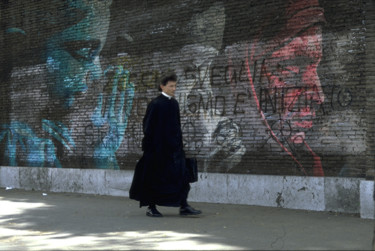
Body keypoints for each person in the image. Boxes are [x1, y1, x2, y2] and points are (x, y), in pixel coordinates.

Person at [129, 73, 201, 217]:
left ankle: (183, 205)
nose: (174, 89)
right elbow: (148, 127)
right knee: (154, 179)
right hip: (158, 150)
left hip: (175, 149)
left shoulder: (173, 103)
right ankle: (151, 207)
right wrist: (153, 147)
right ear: (162, 86)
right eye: (171, 86)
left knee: (182, 176)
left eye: (175, 86)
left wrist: (179, 145)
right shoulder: (156, 104)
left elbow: (177, 126)